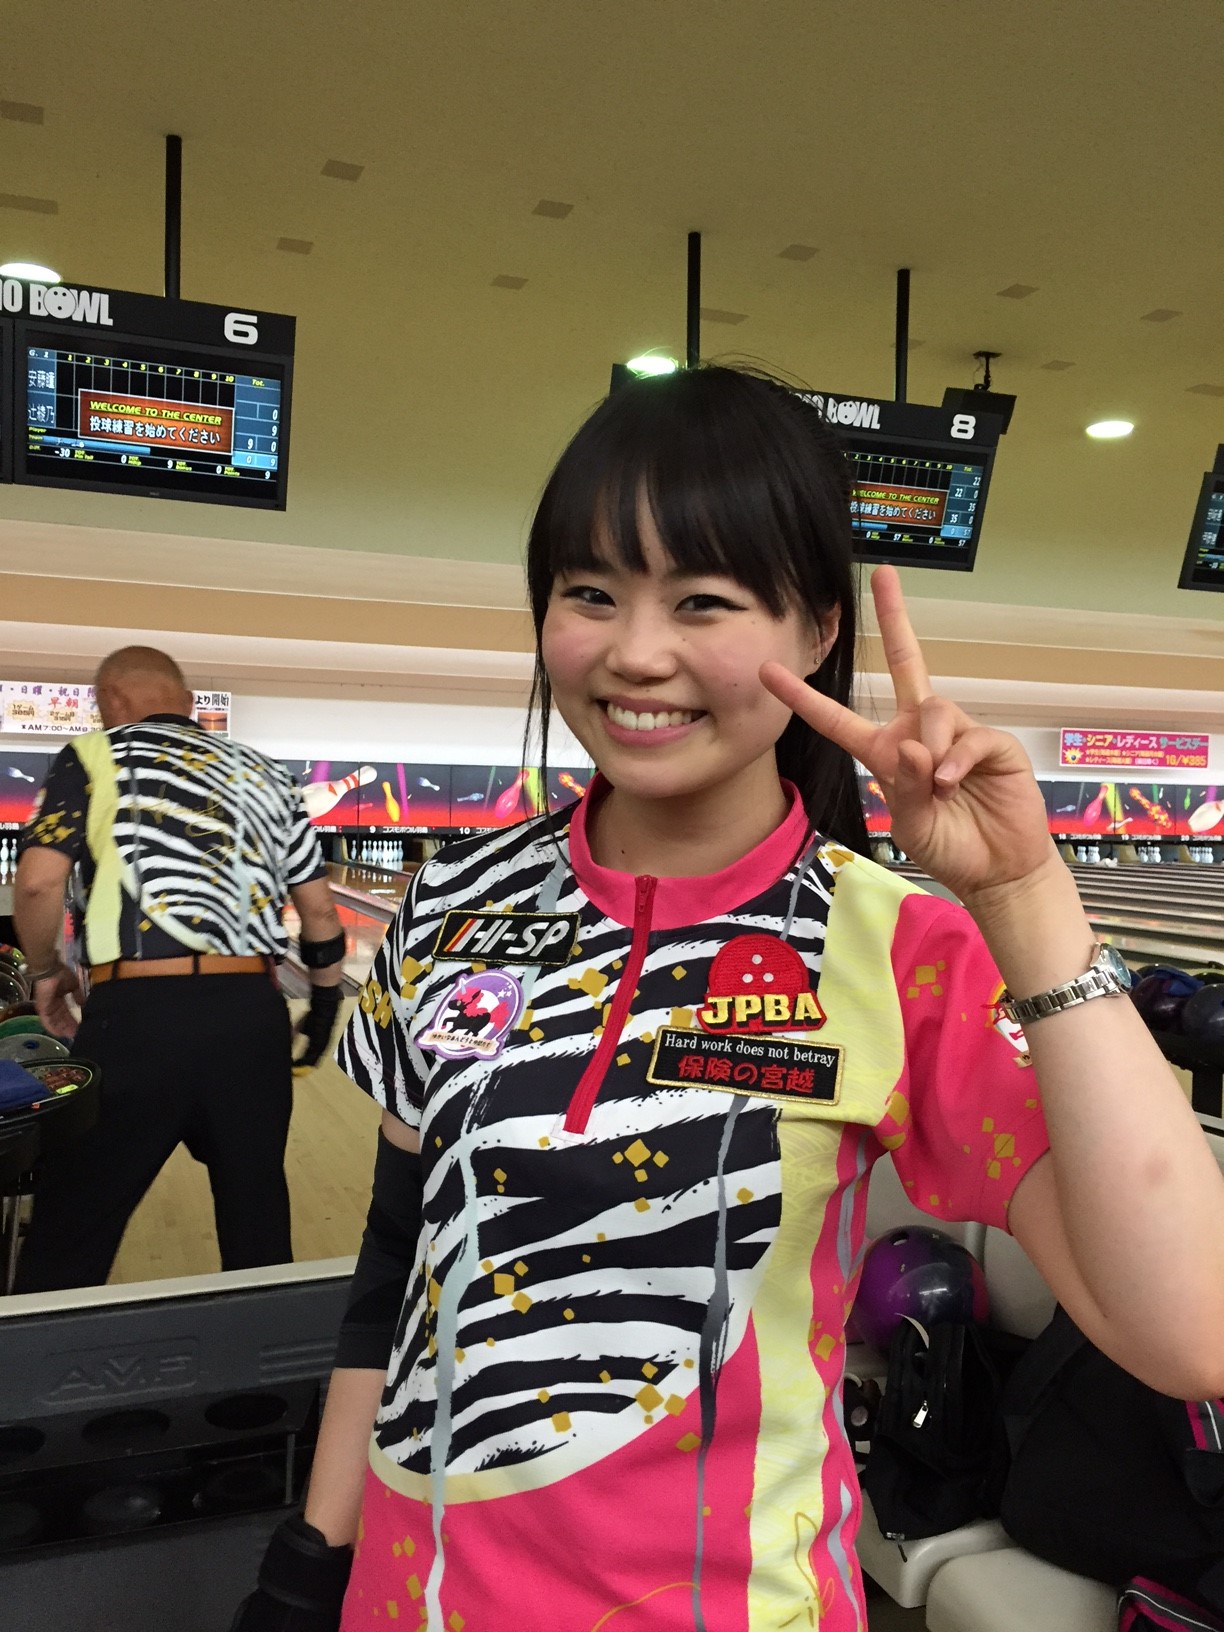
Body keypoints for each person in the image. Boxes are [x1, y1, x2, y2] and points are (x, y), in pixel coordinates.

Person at [234, 368, 1224, 1632]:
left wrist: (1026, 896)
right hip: (410, 1601)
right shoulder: (449, 904)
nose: (637, 652)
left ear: (815, 633)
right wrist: (310, 1559)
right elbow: (396, 1270)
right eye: (591, 593)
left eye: (703, 601)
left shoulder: (893, 948)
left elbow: (1190, 1332)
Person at [12, 646, 347, 1292]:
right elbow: (320, 913)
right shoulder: (269, 775)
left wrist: (46, 970)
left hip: (137, 1019)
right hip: (251, 1017)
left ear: (109, 699)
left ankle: (40, 1356)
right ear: (189, 703)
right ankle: (263, 1360)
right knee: (257, 1222)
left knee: (72, 1229)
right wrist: (326, 1004)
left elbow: (36, 883)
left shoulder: (92, 756)